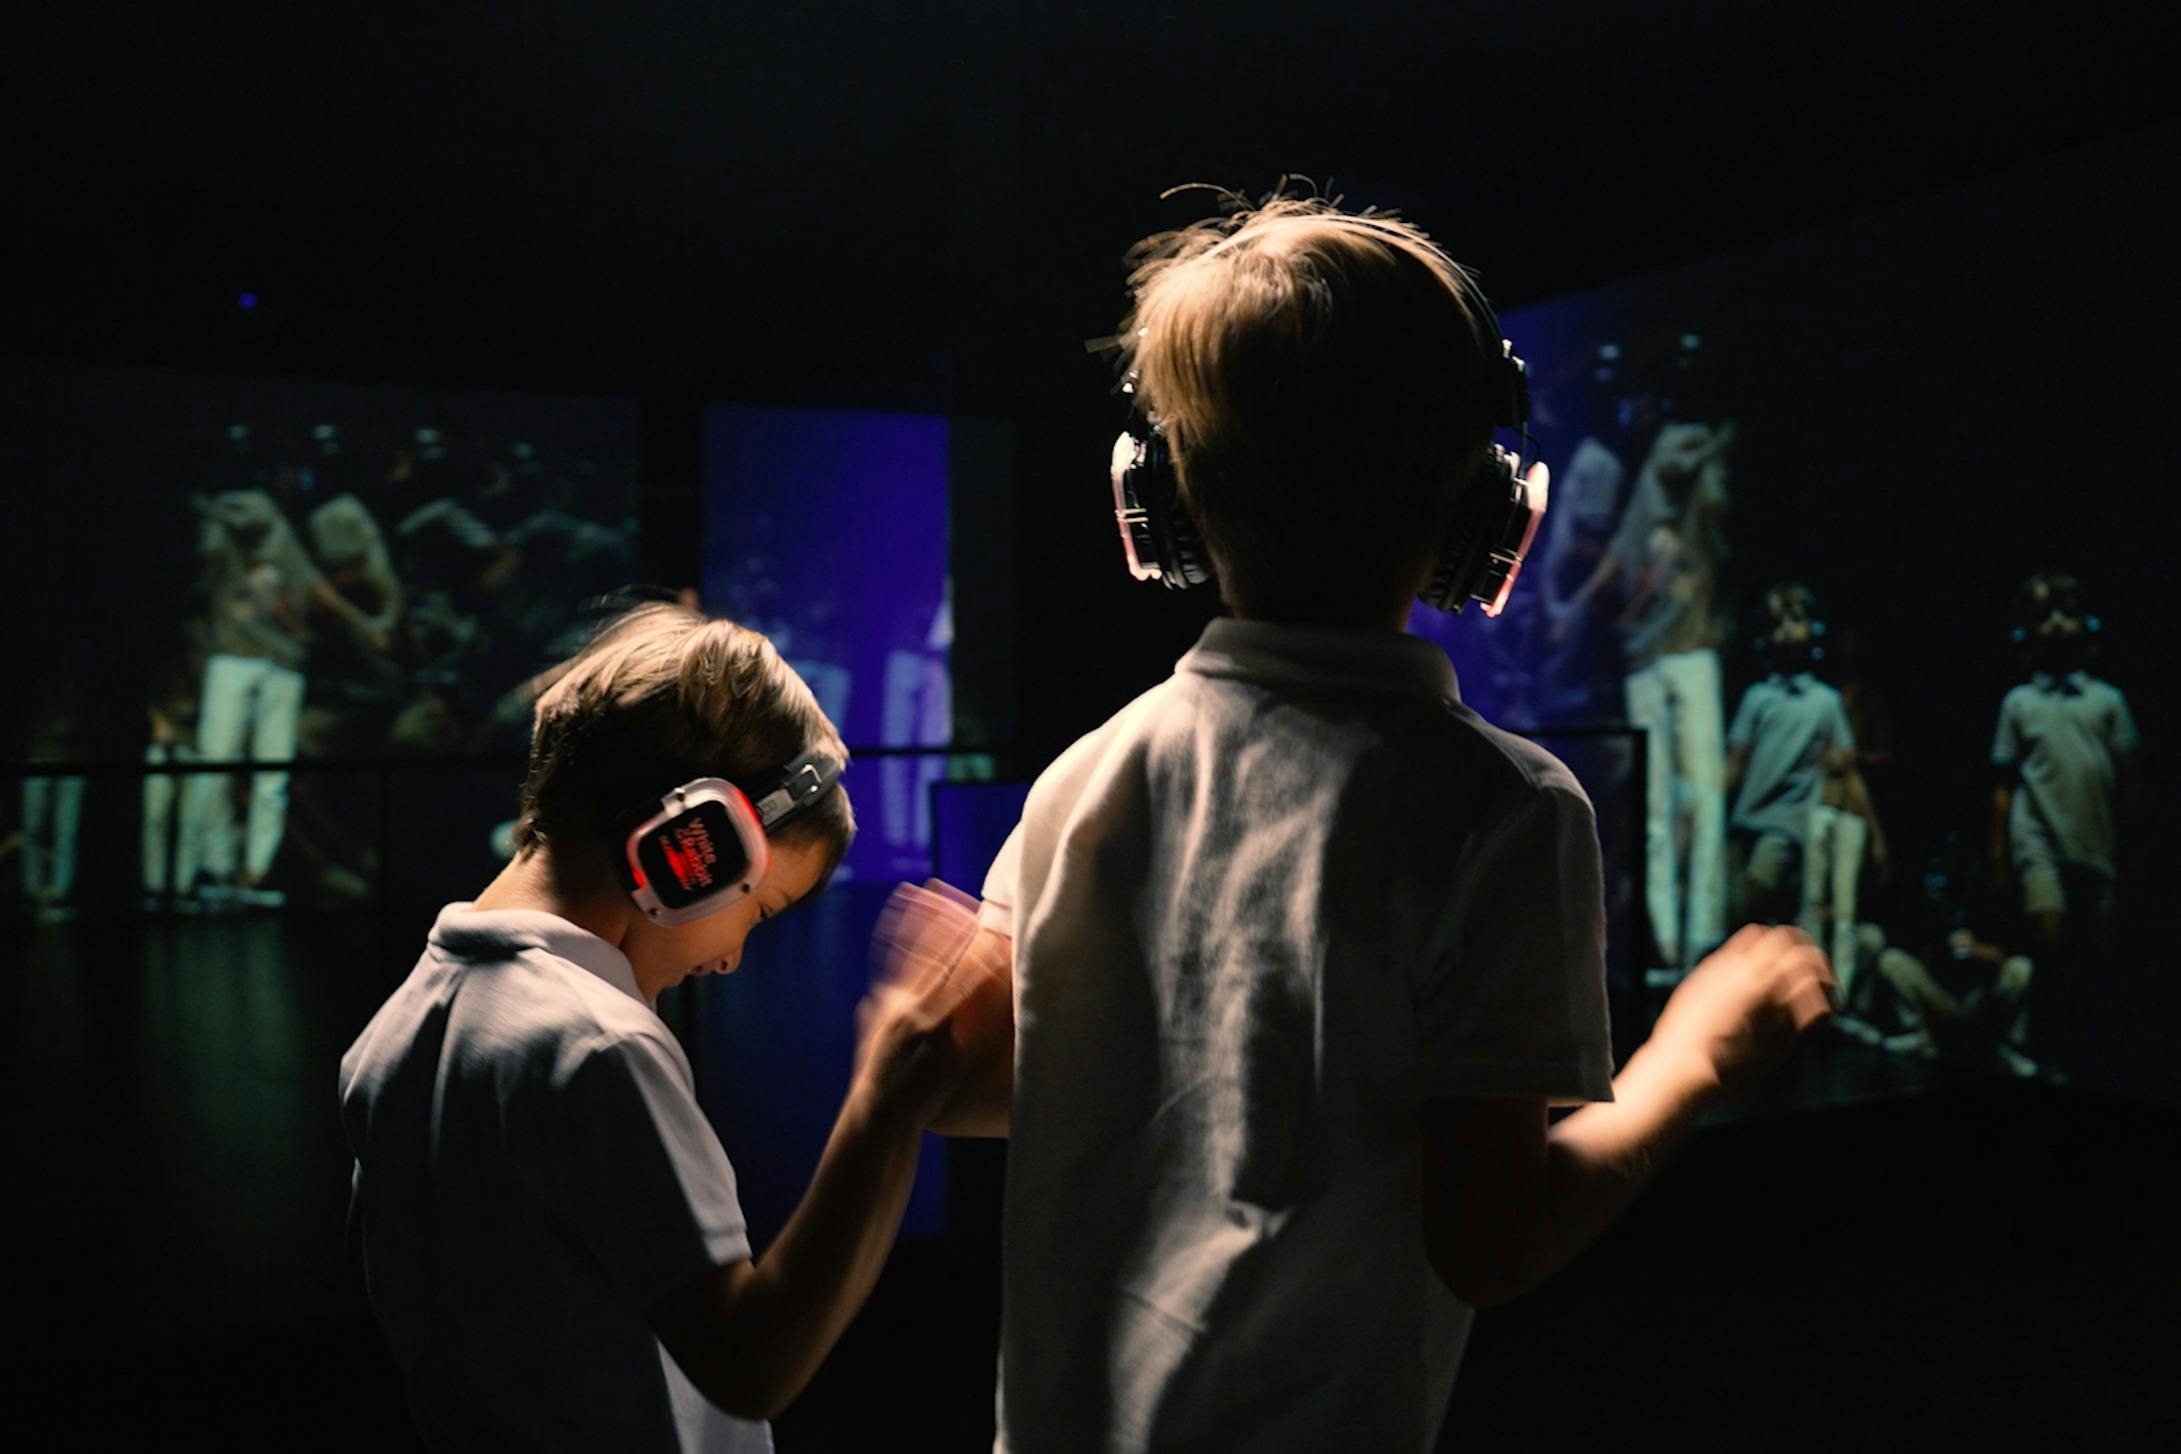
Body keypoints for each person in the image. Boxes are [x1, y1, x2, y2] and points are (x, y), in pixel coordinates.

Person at [908, 194, 1834, 1453]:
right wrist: (1696, 1058)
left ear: (1162, 502)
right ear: (1486, 514)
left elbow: (975, 1082)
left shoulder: (1085, 778)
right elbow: (1492, 1237)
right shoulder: (1504, 811)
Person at [339, 604, 995, 1451]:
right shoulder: (596, 1047)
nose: (731, 959)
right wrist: (884, 1105)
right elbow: (752, 1364)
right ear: (696, 845)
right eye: (759, 910)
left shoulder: (389, 1034)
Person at [1725, 583, 1887, 997]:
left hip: (1790, 823)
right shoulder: (1757, 697)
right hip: (1748, 819)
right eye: (1778, 623)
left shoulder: (1825, 701)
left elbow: (1847, 767)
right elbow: (1736, 761)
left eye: (1796, 621)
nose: (1788, 632)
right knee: (1739, 909)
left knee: (1759, 893)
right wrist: (1715, 811)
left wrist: (1874, 836)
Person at [1990, 573, 2138, 973]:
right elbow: (2004, 785)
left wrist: (2132, 844)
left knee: (2098, 950)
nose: (2056, 624)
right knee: (2049, 938)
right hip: (2037, 840)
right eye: (2044, 616)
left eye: (2066, 613)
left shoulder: (2108, 701)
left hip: (2095, 841)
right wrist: (1999, 854)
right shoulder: (2019, 703)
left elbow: (2128, 781)